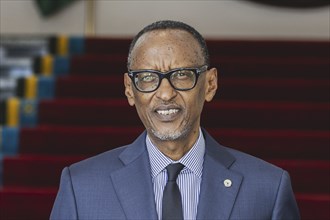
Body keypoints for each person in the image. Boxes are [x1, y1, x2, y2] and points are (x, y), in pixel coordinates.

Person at [50, 20, 300, 220]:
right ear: (129, 89)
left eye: (181, 75)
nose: (166, 93)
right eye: (147, 77)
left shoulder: (268, 188)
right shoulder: (81, 187)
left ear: (210, 84)